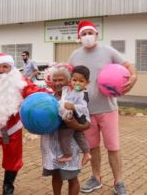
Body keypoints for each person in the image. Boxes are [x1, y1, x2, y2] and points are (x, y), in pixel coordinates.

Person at [68, 20, 137, 195]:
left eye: (90, 33)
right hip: (86, 111)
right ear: (79, 36)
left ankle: (118, 181)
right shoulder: (75, 55)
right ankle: (96, 178)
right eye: (83, 34)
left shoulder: (108, 51)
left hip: (108, 109)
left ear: (96, 34)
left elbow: (128, 66)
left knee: (113, 146)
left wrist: (134, 76)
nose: (87, 36)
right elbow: (70, 77)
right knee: (92, 147)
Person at [0, 52, 46, 195]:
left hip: (13, 129)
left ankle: (8, 187)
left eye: (5, 67)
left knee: (13, 158)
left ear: (11, 68)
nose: (1, 70)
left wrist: (54, 95)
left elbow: (37, 92)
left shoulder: (21, 83)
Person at [41, 64, 90, 195]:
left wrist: (73, 124)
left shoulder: (75, 97)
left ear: (68, 81)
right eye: (54, 80)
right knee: (56, 175)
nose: (57, 83)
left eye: (60, 80)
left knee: (72, 177)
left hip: (69, 145)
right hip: (52, 145)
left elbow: (87, 124)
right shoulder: (47, 99)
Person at [58, 65, 92, 166]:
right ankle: (87, 153)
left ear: (87, 82)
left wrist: (73, 106)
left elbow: (83, 107)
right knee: (79, 135)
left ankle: (68, 154)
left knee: (64, 134)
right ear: (70, 80)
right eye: (74, 80)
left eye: (81, 81)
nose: (77, 83)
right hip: (76, 117)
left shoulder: (83, 94)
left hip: (79, 118)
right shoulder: (73, 90)